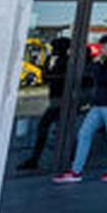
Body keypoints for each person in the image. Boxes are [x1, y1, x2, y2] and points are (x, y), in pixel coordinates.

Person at [53, 33, 107, 183]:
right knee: (84, 134)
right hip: (99, 106)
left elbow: (104, 79)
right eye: (101, 46)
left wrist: (97, 65)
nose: (101, 49)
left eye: (104, 46)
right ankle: (76, 171)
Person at [18, 38, 71, 170]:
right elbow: (46, 77)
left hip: (60, 100)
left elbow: (58, 78)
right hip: (54, 98)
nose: (53, 50)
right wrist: (47, 63)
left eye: (55, 48)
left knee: (44, 126)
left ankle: (36, 158)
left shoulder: (67, 61)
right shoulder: (57, 60)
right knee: (60, 128)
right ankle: (68, 155)